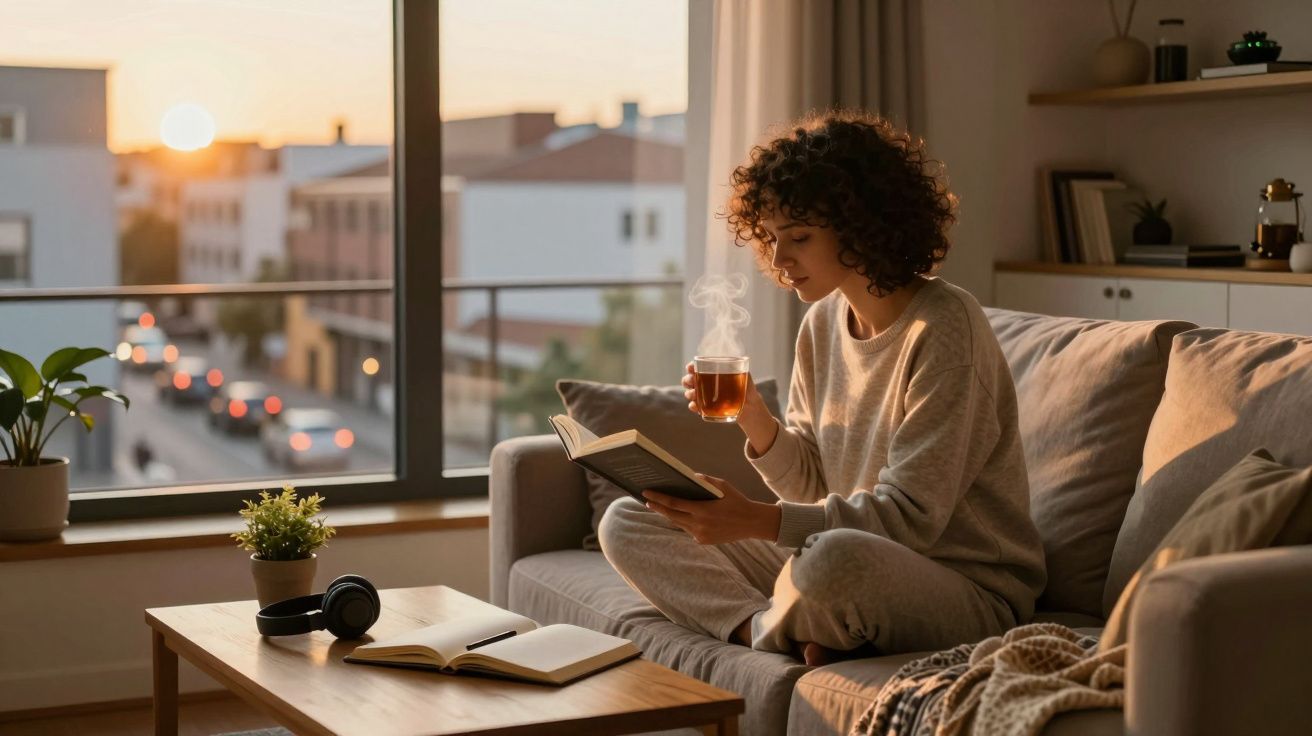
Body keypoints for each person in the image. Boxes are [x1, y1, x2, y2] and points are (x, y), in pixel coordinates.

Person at [598, 109, 1046, 666]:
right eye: (771, 239)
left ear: (862, 225)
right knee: (630, 521)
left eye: (800, 237)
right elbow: (811, 484)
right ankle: (764, 627)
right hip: (839, 549)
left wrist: (756, 520)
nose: (780, 261)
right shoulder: (822, 323)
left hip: (963, 584)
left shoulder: (946, 328)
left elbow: (911, 520)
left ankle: (788, 619)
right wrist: (754, 416)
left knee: (835, 563)